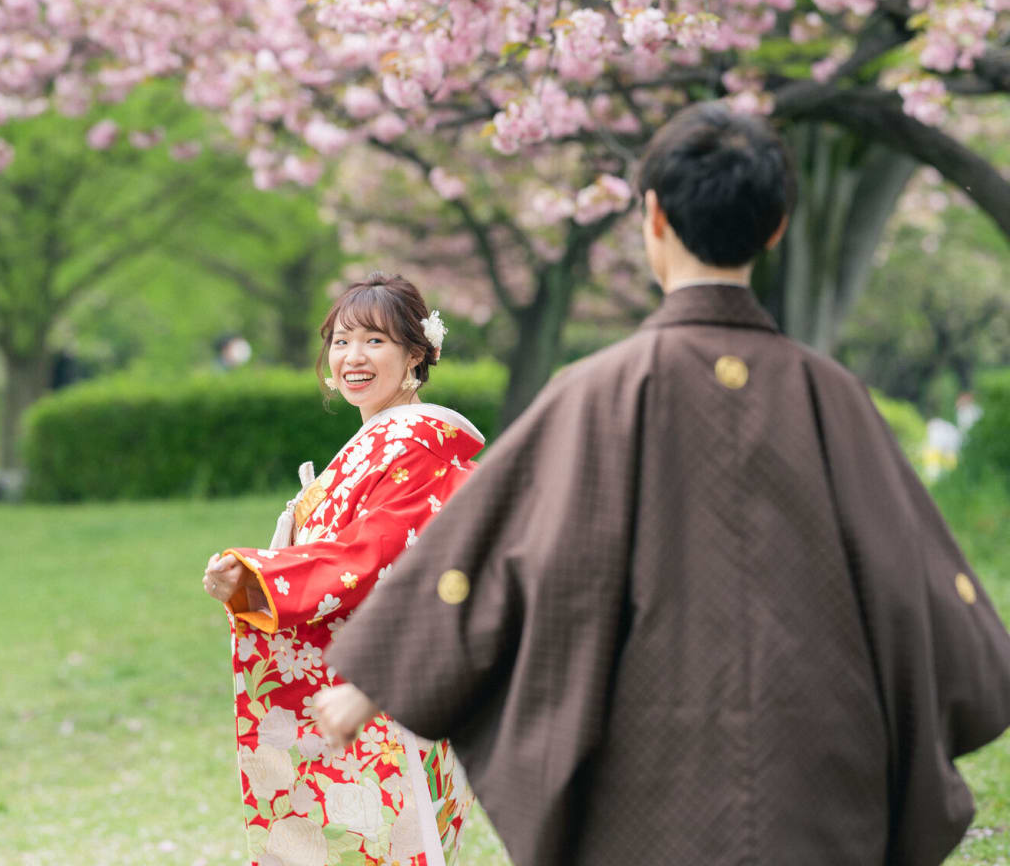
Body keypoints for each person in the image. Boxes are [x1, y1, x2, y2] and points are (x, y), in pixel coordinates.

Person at [314, 104, 1010, 866]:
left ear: (652, 218)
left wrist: (372, 683)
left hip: (643, 783)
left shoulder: (597, 390)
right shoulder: (832, 396)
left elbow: (484, 560)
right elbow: (919, 580)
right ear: (777, 226)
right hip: (818, 776)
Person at [203, 272, 484, 866]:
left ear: (417, 353)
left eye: (376, 341)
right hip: (352, 684)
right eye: (341, 340)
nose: (353, 357)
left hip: (385, 685)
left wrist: (259, 576)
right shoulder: (377, 443)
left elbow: (369, 553)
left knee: (385, 844)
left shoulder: (418, 446)